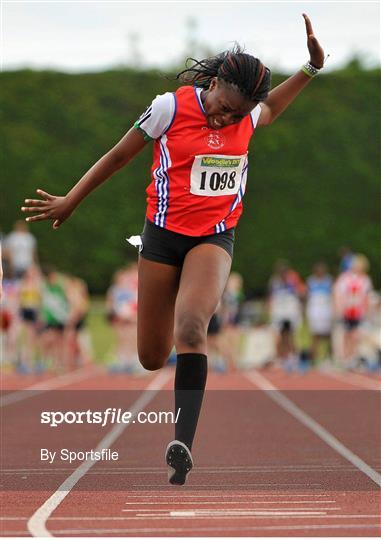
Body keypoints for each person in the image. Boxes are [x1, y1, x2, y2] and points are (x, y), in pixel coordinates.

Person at [21, 14, 325, 484]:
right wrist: (72, 200)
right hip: (161, 237)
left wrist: (310, 69)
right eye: (224, 106)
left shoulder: (248, 115)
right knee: (149, 354)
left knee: (192, 327)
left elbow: (272, 108)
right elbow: (119, 155)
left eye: (238, 113)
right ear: (216, 81)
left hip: (214, 236)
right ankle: (174, 394)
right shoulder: (169, 108)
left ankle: (182, 440)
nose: (228, 117)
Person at [333, 254, 374, 368]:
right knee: (347, 335)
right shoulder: (345, 278)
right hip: (347, 310)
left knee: (356, 335)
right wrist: (338, 309)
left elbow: (366, 297)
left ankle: (352, 357)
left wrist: (367, 311)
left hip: (358, 311)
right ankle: (345, 358)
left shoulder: (365, 280)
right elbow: (338, 294)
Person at [268, 259, 306, 369]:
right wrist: (270, 310)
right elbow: (271, 296)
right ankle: (281, 358)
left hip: (290, 311)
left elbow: (302, 292)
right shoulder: (274, 281)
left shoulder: (293, 280)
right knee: (279, 336)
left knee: (292, 335)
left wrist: (300, 307)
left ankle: (294, 357)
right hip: (279, 312)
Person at [305, 262, 333, 363]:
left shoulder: (329, 280)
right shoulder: (310, 281)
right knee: (315, 334)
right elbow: (307, 296)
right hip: (315, 309)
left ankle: (329, 357)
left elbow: (332, 294)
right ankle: (314, 358)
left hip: (326, 309)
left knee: (328, 334)